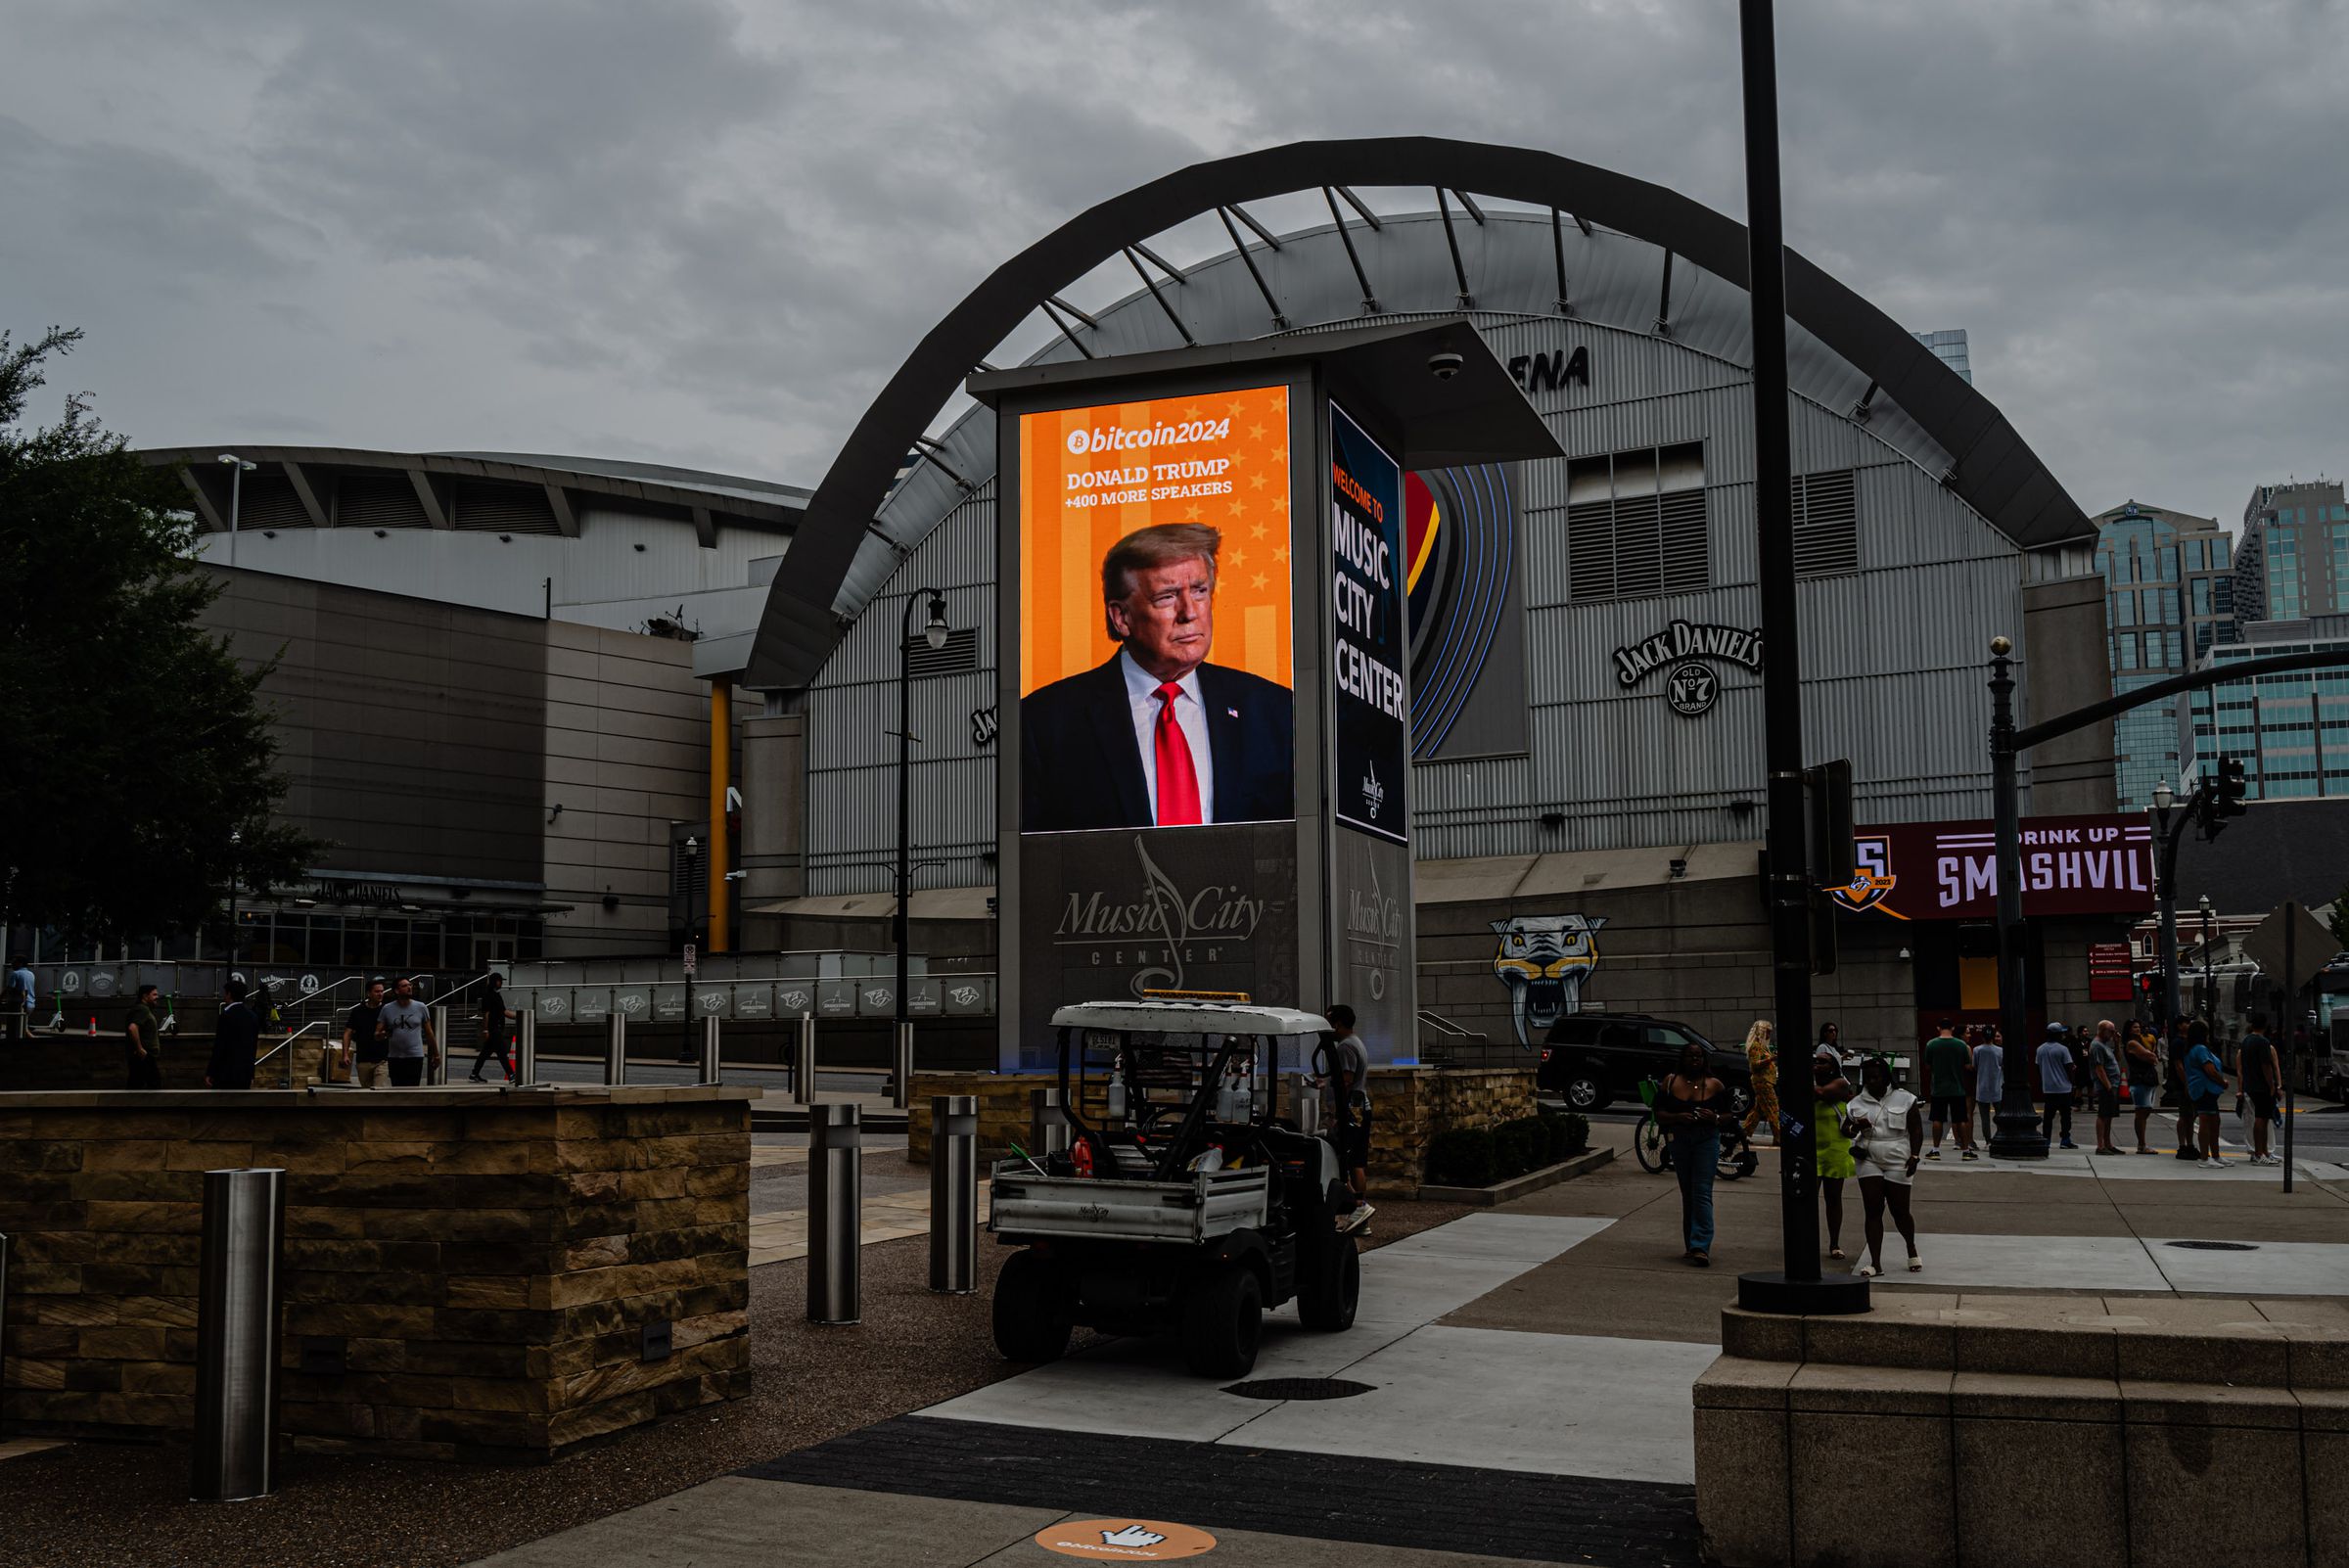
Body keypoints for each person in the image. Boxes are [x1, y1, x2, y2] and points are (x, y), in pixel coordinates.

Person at [1020, 523, 1294, 832]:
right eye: (1166, 597)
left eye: (1200, 591)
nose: (1189, 612)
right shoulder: (1045, 723)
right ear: (1121, 617)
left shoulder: (1275, 712)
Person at [1845, 1056, 1925, 1276]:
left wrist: (1915, 1156)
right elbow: (1846, 1131)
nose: (1871, 1082)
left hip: (1898, 1157)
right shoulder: (1856, 1103)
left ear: (1886, 1078)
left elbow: (1916, 1130)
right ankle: (1875, 1263)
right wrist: (1855, 1126)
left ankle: (1911, 1248)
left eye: (1876, 1078)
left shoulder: (1905, 1099)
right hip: (1868, 1158)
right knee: (1873, 1209)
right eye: (1868, 1078)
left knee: (1900, 1211)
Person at [1657, 1042, 1733, 1266]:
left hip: (1706, 1140)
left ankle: (1701, 1245)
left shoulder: (1715, 1085)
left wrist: (1715, 1118)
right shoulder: (1670, 1082)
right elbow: (1659, 1113)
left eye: (1698, 1056)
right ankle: (1691, 1244)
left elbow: (1730, 1115)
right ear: (1682, 1058)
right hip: (1679, 1140)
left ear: (1704, 1060)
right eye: (1690, 1056)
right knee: (1687, 1191)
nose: (1695, 1060)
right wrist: (1678, 1117)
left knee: (1701, 1191)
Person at [1315, 1003, 1374, 1231]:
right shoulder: (1356, 1042)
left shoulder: (1345, 1048)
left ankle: (1358, 1205)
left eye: (1329, 1022)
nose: (1328, 1027)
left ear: (1338, 1023)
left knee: (1340, 1161)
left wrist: (1337, 1114)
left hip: (1350, 1110)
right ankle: (1361, 1218)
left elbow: (1346, 1081)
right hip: (1360, 1108)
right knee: (1356, 1162)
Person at [1815, 1047, 1857, 1261]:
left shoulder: (1841, 1084)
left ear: (1833, 1067)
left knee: (1833, 1199)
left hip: (1835, 1149)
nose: (1817, 1065)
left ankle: (1834, 1243)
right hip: (1811, 1149)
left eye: (1823, 1062)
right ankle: (1808, 1239)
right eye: (1815, 1061)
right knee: (1806, 1199)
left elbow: (1822, 1094)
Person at [1921, 1019, 1974, 1160]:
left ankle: (1935, 1150)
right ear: (1952, 1027)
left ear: (1938, 1027)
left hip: (1938, 1088)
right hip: (1957, 1088)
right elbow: (1967, 1065)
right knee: (1961, 1119)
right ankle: (1966, 1151)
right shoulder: (1961, 1045)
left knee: (1937, 1119)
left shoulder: (1931, 1044)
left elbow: (1927, 1065)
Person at [375, 977, 439, 1087]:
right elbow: (377, 1034)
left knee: (412, 1091)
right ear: (396, 990)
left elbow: (429, 1033)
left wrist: (436, 1054)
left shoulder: (421, 1007)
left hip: (415, 1056)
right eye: (404, 986)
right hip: (395, 1057)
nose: (409, 987)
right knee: (397, 1090)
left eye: (410, 985)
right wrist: (383, 1034)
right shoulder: (387, 1009)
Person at [2237, 1012, 2281, 1166]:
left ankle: (2262, 1152)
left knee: (2259, 1118)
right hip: (2261, 1086)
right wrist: (2272, 1085)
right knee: (2262, 1119)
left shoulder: (2246, 1041)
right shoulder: (2263, 1042)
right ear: (2265, 1026)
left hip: (2250, 1085)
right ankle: (2260, 1153)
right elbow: (2266, 1066)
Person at [2182, 1021, 2228, 1168]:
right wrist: (2222, 1082)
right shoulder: (2200, 1049)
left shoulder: (2193, 1049)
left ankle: (2215, 1155)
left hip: (2204, 1089)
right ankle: (2204, 1158)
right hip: (2204, 1089)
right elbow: (2210, 1070)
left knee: (2214, 1121)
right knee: (2206, 1121)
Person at [207, 978, 261, 1089]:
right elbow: (253, 1048)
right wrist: (251, 1074)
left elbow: (219, 1047)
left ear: (229, 994)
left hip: (225, 1073)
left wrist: (211, 1072)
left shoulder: (226, 1016)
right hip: (244, 1074)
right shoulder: (253, 1017)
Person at [2085, 1020, 2124, 1156]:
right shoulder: (2096, 1046)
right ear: (2101, 1030)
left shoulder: (2105, 1045)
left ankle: (2108, 1144)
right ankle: (2101, 1145)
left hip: (2113, 1084)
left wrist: (2117, 1043)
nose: (2113, 1033)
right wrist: (2107, 1086)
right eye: (2110, 1031)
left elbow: (2118, 1058)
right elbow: (2099, 1068)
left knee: (2109, 1115)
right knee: (2103, 1115)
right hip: (2106, 1086)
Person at [2123, 1021, 2163, 1154]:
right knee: (2141, 1112)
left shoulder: (2139, 1041)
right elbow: (2151, 1056)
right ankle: (2141, 1144)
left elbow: (2152, 1056)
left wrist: (2151, 1056)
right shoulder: (2132, 1043)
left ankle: (2142, 1144)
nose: (2138, 1029)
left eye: (2139, 1027)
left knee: (2145, 1112)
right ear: (2129, 1030)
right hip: (2140, 1080)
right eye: (2135, 1027)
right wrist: (2151, 1056)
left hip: (2146, 1079)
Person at [2035, 1024, 2077, 1149]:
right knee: (2065, 1116)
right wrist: (2073, 1083)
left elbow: (2038, 1067)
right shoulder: (2063, 1049)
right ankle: (2065, 1139)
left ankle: (2046, 1139)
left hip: (2048, 1088)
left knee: (2048, 1116)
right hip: (2063, 1088)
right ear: (2058, 1034)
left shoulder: (2040, 1049)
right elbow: (2069, 1067)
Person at [1739, 1020, 1780, 1146]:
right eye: (1767, 1032)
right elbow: (1755, 1065)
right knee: (1772, 1108)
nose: (1769, 1035)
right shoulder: (1755, 1046)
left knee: (1758, 1111)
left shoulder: (1762, 1046)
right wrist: (1771, 1059)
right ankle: (1779, 1136)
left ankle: (1743, 1133)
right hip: (1762, 1082)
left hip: (1766, 1081)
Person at [345, 978, 390, 1089]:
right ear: (369, 993)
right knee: (366, 1094)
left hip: (381, 1060)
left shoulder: (387, 1010)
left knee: (378, 1091)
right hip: (363, 1060)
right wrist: (345, 1054)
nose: (380, 994)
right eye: (377, 991)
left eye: (382, 991)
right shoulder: (358, 1011)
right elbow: (348, 1033)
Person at [471, 974, 514, 1084]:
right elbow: (486, 1013)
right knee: (502, 1052)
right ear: (495, 981)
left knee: (485, 1053)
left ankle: (474, 1073)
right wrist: (486, 1030)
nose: (501, 983)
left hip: (496, 1028)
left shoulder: (496, 995)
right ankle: (511, 1075)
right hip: (493, 1029)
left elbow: (504, 1012)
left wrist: (519, 1016)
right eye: (500, 981)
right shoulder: (488, 995)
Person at [1970, 1027, 2005, 1154]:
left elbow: (1975, 1066)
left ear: (1983, 1037)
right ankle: (2000, 1137)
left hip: (1982, 1088)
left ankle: (1988, 1141)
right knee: (1999, 1115)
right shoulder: (2000, 1051)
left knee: (1984, 1117)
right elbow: (2002, 1065)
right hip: (1997, 1087)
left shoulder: (1977, 1050)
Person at [123, 982, 164, 1089]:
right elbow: (133, 1028)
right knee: (154, 1086)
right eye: (154, 995)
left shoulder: (143, 1010)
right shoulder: (142, 1009)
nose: (157, 997)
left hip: (143, 1056)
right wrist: (140, 1049)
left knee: (135, 1086)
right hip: (144, 1056)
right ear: (145, 996)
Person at [3, 953, 33, 1040]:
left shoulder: (15, 974)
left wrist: (1, 998)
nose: (11, 964)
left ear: (20, 963)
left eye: (14, 962)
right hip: (30, 1004)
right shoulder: (31, 974)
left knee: (13, 1029)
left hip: (18, 1004)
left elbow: (9, 989)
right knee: (22, 1028)